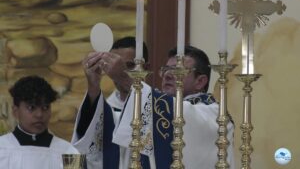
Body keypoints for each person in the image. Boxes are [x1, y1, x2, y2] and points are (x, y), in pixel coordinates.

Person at [72, 45, 235, 169]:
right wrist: (93, 86)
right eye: (166, 69)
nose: (168, 75)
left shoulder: (214, 116)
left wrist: (124, 77)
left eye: (178, 70)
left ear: (200, 81)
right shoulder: (149, 109)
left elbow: (179, 115)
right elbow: (109, 129)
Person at [72, 36, 148, 169]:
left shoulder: (158, 107)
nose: (117, 72)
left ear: (146, 68)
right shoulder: (105, 110)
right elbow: (86, 148)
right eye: (116, 67)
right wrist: (93, 85)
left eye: (129, 65)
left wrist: (122, 76)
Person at [0, 75, 79, 169]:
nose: (39, 114)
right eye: (31, 108)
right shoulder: (2, 148)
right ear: (15, 111)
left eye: (45, 107)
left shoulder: (71, 152)